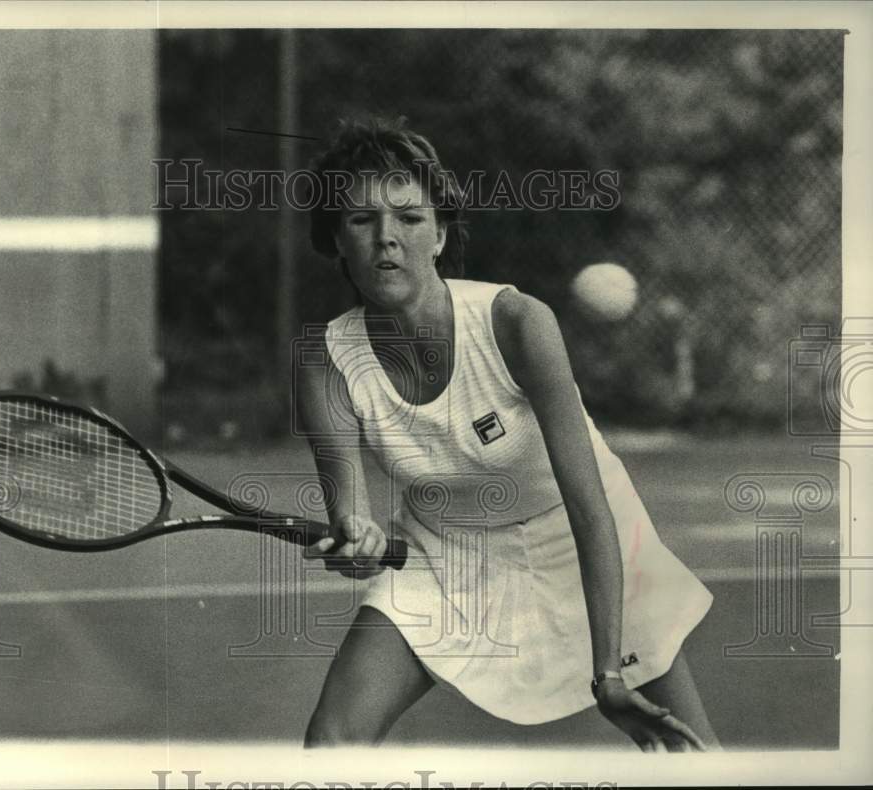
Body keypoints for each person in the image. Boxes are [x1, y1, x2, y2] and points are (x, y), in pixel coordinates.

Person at [295, 117, 719, 752]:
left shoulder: (518, 323)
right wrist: (354, 542)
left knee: (692, 756)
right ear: (336, 239)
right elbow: (352, 521)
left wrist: (609, 674)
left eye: (410, 219)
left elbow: (591, 507)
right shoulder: (323, 360)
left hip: (576, 537)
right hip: (443, 553)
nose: (388, 239)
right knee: (332, 741)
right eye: (361, 221)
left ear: (439, 234)